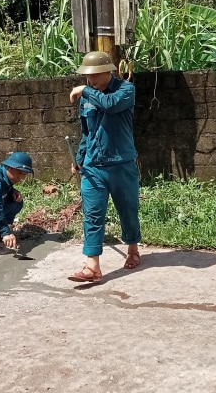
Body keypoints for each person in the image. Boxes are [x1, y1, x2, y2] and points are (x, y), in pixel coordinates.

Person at [67, 51, 141, 283]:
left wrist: (84, 90)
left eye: (95, 75)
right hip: (93, 167)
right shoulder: (88, 97)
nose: (91, 80)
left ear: (109, 71)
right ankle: (92, 267)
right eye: (87, 76)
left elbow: (111, 105)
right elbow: (86, 133)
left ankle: (132, 249)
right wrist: (79, 158)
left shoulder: (125, 90)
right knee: (92, 214)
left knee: (127, 210)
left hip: (121, 164)